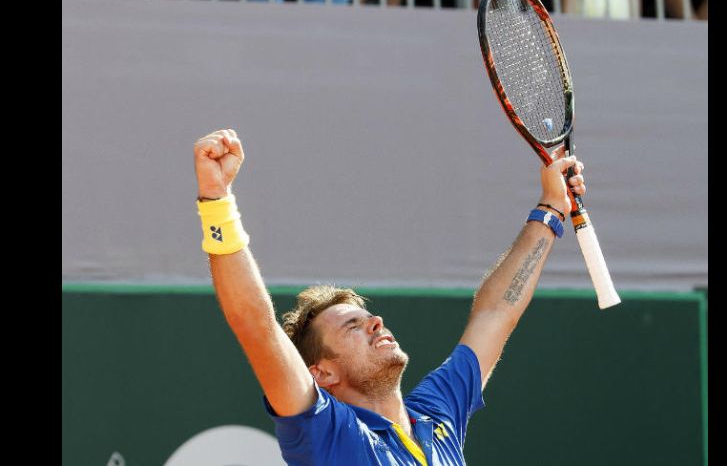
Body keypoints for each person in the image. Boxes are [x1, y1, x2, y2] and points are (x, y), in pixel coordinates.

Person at [193, 128, 586, 465]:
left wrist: (552, 207)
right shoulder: (327, 434)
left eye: (368, 318)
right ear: (323, 373)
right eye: (352, 326)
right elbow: (257, 327)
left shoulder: (436, 415)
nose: (376, 323)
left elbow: (496, 313)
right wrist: (216, 202)